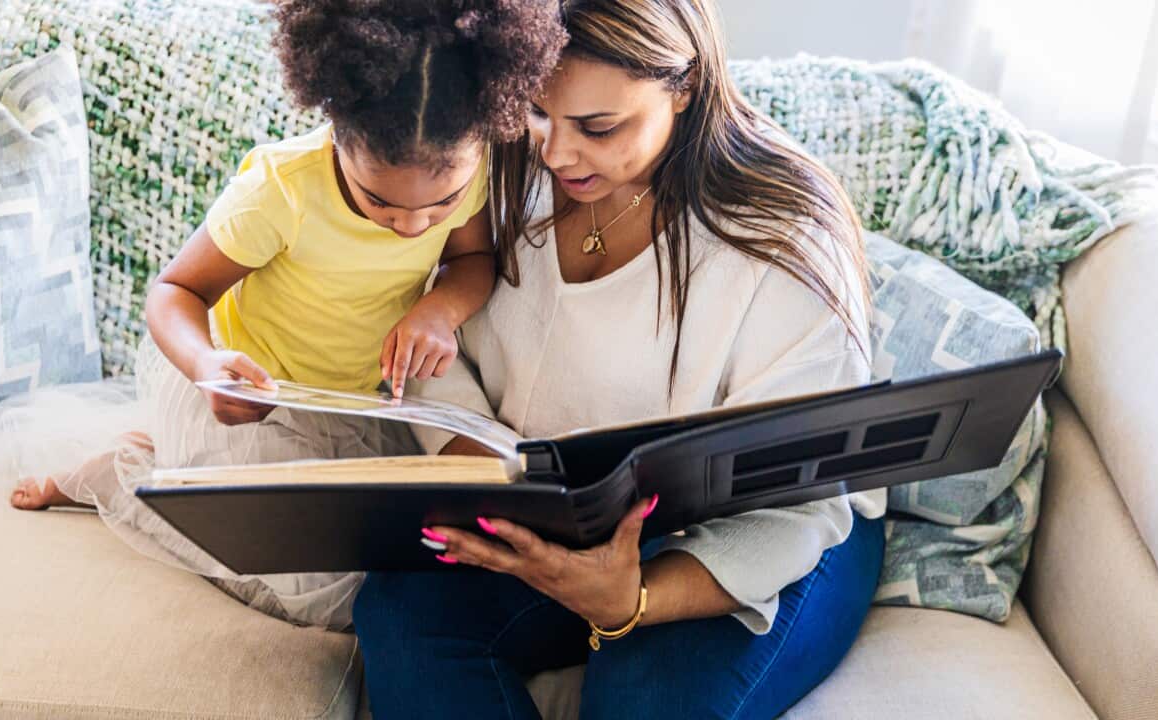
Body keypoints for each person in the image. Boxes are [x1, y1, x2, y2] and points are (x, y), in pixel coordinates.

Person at [353, 0, 887, 716]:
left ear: (684, 87)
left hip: (767, 529)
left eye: (599, 128)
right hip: (553, 512)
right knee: (402, 611)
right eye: (538, 112)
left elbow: (801, 505)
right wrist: (487, 480)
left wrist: (633, 599)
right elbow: (428, 333)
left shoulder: (783, 237)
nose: (555, 153)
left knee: (642, 694)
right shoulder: (490, 162)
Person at [0, 0, 567, 630]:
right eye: (381, 202)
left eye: (441, 204)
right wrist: (208, 365)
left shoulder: (473, 165)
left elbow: (472, 258)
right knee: (323, 591)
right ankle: (121, 476)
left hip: (348, 404)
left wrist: (438, 309)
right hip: (244, 397)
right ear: (338, 135)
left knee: (409, 552)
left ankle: (164, 460)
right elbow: (175, 292)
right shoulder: (283, 190)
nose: (411, 226)